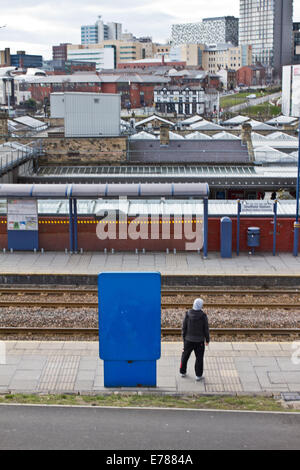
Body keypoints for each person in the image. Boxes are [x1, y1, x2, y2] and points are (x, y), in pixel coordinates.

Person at [179, 298, 210, 381]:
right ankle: (198, 375)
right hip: (199, 341)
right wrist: (207, 340)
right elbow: (206, 329)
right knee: (199, 358)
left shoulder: (188, 314)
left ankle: (182, 372)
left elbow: (184, 328)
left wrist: (184, 340)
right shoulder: (203, 316)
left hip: (188, 340)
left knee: (185, 356)